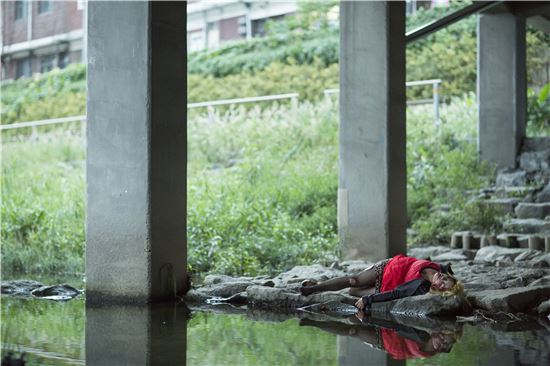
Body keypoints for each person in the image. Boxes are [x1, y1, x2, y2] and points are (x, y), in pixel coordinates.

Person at [300, 254, 463, 311]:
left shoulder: (420, 287)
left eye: (442, 286)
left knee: (352, 292)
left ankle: (328, 286)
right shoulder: (441, 268)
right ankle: (313, 288)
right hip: (388, 266)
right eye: (446, 279)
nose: (442, 280)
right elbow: (452, 279)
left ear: (436, 289)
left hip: (385, 287)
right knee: (353, 280)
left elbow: (396, 293)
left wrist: (368, 300)